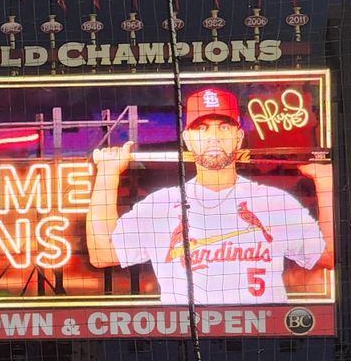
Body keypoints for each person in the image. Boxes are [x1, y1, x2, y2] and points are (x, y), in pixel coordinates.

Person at [87, 87, 333, 305]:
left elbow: (329, 256)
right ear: (187, 139)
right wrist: (108, 174)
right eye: (202, 128)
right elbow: (101, 253)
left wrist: (325, 182)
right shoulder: (160, 205)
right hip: (185, 335)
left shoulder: (273, 202)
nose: (214, 137)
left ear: (238, 137)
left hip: (262, 332)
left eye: (223, 127)